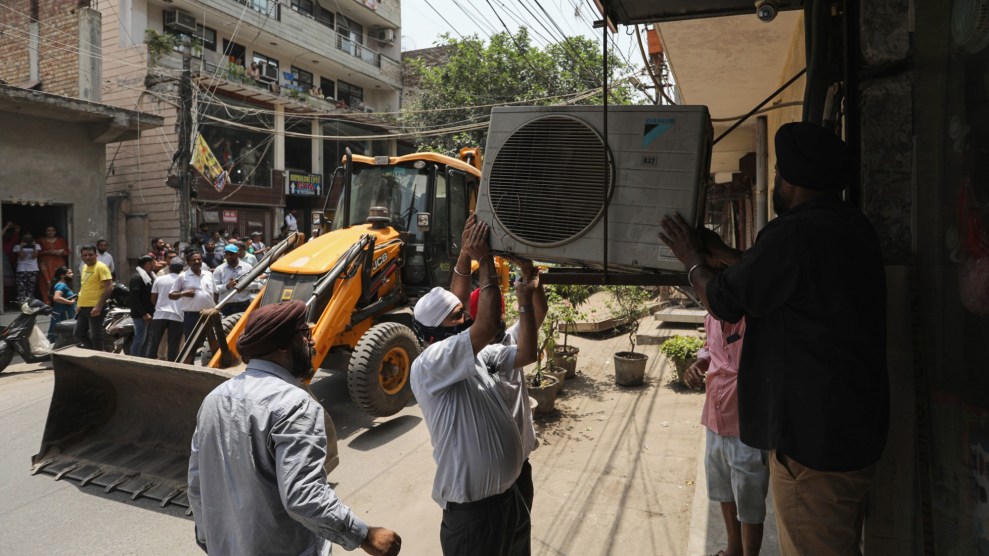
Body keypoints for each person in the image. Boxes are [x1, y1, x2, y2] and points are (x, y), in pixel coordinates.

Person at [660, 121, 888, 556]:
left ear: (796, 180)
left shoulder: (794, 234)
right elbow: (778, 277)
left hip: (814, 446)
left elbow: (726, 300)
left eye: (780, 174)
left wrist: (691, 260)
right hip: (851, 431)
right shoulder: (848, 226)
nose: (776, 183)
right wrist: (722, 254)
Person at [188, 300, 402, 556]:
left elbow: (197, 483)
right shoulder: (294, 404)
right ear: (283, 345)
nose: (311, 343)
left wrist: (209, 540)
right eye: (305, 334)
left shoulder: (215, 398)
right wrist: (365, 535)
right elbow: (303, 497)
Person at [410, 217, 538, 556]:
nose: (466, 315)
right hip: (474, 518)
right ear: (436, 334)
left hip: (507, 498)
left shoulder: (479, 357)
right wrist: (485, 263)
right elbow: (487, 321)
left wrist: (467, 255)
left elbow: (526, 352)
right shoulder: (430, 364)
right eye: (458, 316)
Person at [448, 216, 546, 514]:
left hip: (521, 469)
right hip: (486, 489)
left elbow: (539, 311)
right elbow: (454, 300)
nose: (498, 317)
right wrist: (468, 255)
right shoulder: (459, 359)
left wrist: (528, 270)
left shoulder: (511, 341)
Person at [684, 313, 769, 556]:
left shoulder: (754, 320)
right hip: (714, 418)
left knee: (750, 502)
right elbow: (710, 348)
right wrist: (699, 364)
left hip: (747, 427)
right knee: (724, 491)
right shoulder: (710, 318)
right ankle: (734, 549)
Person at [74, 244, 113, 350]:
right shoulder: (85, 267)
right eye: (85, 255)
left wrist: (99, 306)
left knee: (96, 336)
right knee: (78, 334)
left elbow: (109, 287)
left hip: (95, 307)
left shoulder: (101, 267)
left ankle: (99, 359)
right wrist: (79, 304)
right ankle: (95, 354)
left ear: (96, 255)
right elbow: (85, 286)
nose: (88, 257)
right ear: (81, 256)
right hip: (83, 307)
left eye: (90, 255)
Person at [169, 251, 216, 341]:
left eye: (199, 259)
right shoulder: (182, 276)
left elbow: (215, 292)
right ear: (188, 262)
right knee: (192, 343)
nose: (197, 261)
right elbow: (171, 295)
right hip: (192, 317)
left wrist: (216, 307)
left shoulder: (209, 274)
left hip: (209, 314)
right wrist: (183, 293)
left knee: (211, 342)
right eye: (193, 260)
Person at [147, 257, 185, 361]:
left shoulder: (159, 279)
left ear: (170, 268)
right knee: (173, 345)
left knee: (154, 343)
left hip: (160, 314)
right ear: (182, 269)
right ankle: (171, 368)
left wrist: (160, 306)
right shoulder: (184, 280)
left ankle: (149, 365)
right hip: (177, 316)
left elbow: (153, 298)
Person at [213, 244, 253, 316]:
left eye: (232, 254)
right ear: (224, 255)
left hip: (244, 304)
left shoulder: (247, 267)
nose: (230, 256)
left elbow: (257, 285)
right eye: (227, 254)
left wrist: (242, 284)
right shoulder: (219, 269)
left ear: (237, 254)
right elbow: (214, 289)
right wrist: (227, 286)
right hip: (226, 306)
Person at [128, 255, 156, 358]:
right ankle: (133, 360)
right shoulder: (137, 277)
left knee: (146, 340)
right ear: (147, 264)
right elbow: (134, 298)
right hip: (141, 315)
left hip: (149, 314)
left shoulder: (150, 276)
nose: (155, 264)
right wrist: (144, 313)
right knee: (140, 339)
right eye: (154, 262)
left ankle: (142, 360)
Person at [37, 225, 69, 304]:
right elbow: (36, 252)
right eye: (48, 230)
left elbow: (67, 250)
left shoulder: (61, 240)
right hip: (45, 264)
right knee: (44, 282)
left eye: (52, 230)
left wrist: (60, 251)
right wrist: (46, 252)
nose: (50, 232)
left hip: (58, 263)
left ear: (55, 231)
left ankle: (59, 302)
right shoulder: (40, 240)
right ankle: (47, 302)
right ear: (45, 232)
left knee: (59, 281)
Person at [47, 266, 76, 342]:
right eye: (69, 273)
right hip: (64, 314)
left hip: (62, 313)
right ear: (62, 275)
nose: (72, 274)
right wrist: (70, 302)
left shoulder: (62, 284)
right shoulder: (61, 285)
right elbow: (56, 297)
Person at [12, 232, 40, 303]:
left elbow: (34, 256)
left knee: (31, 287)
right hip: (21, 269)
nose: (28, 241)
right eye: (26, 239)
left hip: (33, 269)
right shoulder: (17, 246)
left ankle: (30, 303)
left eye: (29, 239)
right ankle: (22, 303)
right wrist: (21, 247)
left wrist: (34, 247)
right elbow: (22, 257)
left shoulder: (37, 246)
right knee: (21, 287)